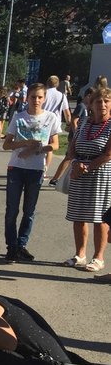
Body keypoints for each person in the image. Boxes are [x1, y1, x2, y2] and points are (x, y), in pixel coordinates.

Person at [1, 83, 60, 263]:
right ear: (28, 98)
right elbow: (6, 144)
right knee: (12, 210)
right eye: (33, 96)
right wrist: (25, 143)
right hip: (16, 169)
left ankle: (21, 245)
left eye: (40, 97)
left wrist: (40, 147)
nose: (36, 100)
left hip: (36, 169)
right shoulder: (19, 117)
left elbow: (55, 145)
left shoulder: (51, 118)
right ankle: (11, 247)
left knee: (29, 211)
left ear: (44, 99)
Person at [62, 87, 111, 274]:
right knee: (78, 215)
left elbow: (108, 154)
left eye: (107, 101)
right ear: (91, 104)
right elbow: (72, 148)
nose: (103, 105)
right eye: (99, 101)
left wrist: (87, 167)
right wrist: (75, 163)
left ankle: (98, 257)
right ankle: (79, 255)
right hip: (78, 174)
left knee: (100, 217)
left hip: (100, 175)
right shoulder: (84, 123)